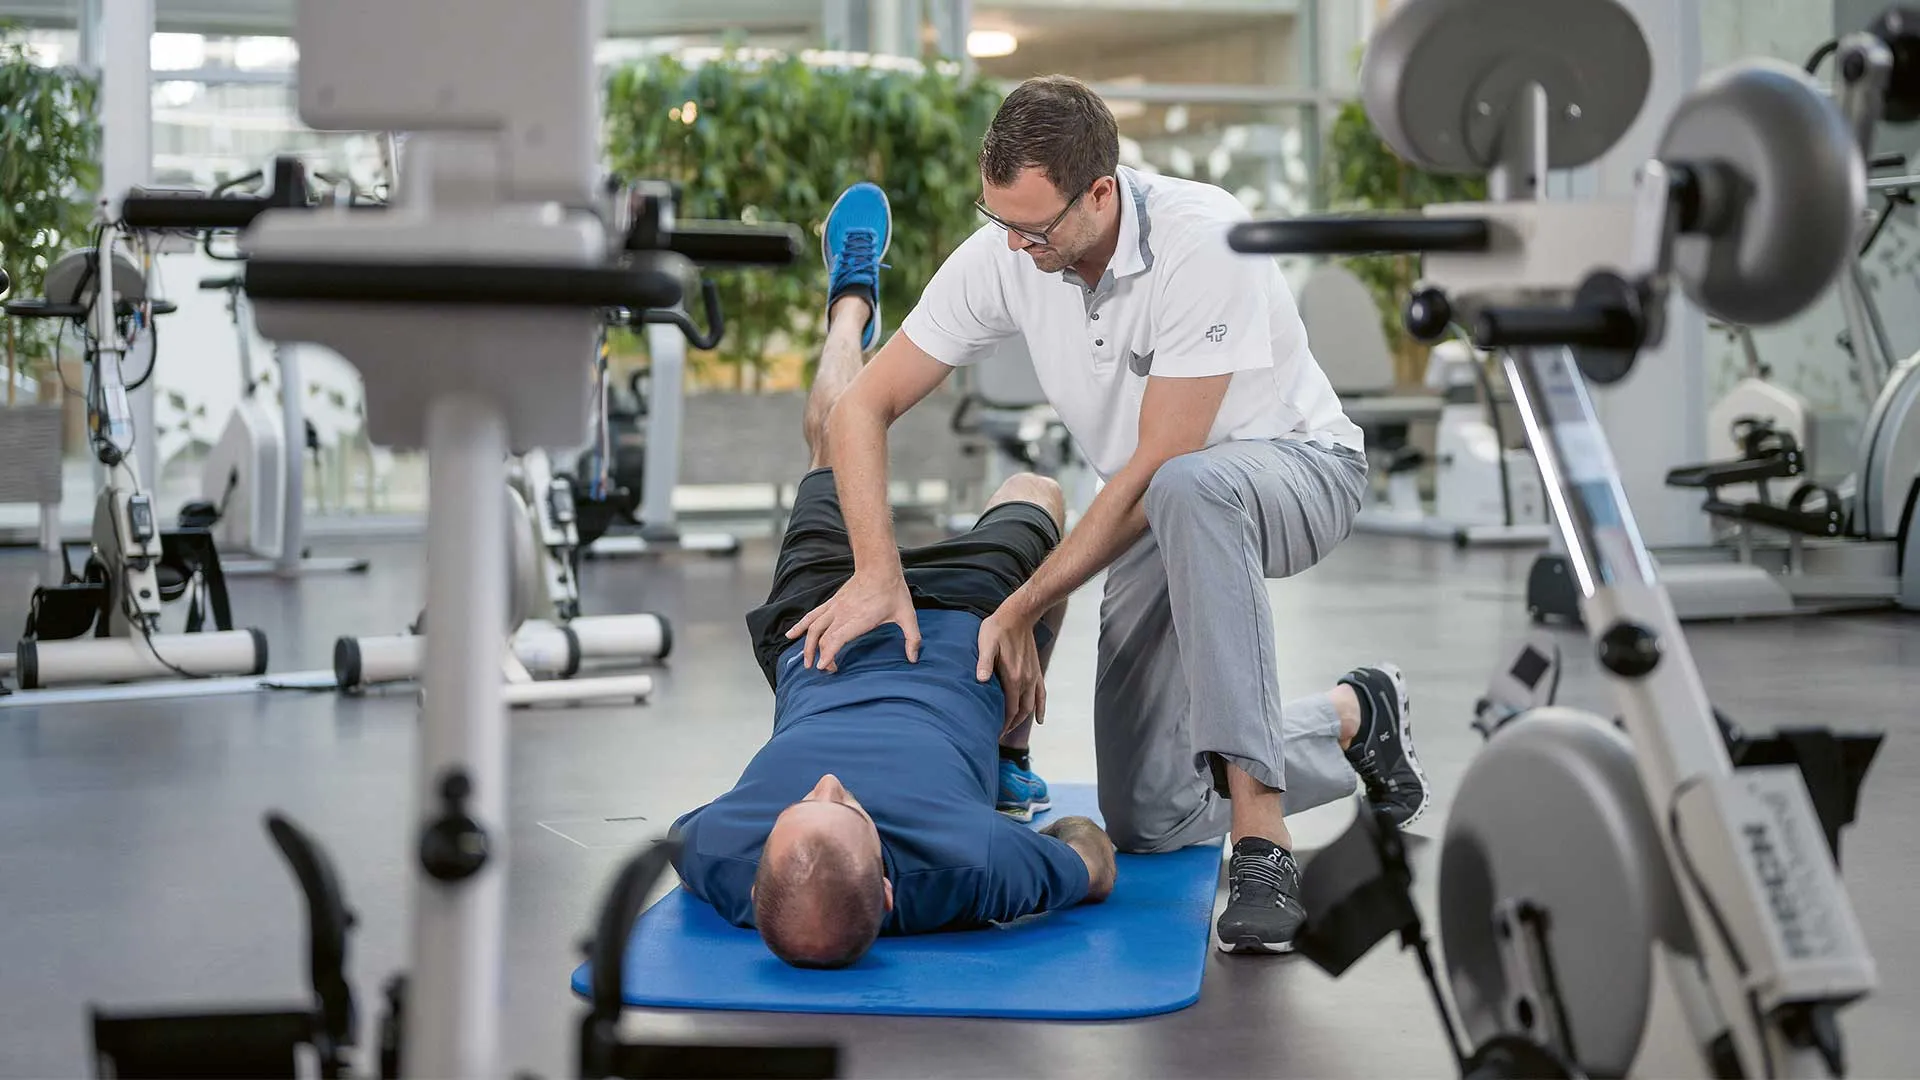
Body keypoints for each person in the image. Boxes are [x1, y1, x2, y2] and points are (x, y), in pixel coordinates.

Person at [670, 184, 1413, 965]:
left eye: (1031, 224)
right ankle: (1353, 717)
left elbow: (1160, 458)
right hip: (970, 631)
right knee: (1146, 812)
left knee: (830, 439)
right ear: (890, 890)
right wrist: (937, 594)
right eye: (843, 807)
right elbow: (1093, 859)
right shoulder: (970, 865)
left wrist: (943, 593)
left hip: (828, 625)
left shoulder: (719, 852)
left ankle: (849, 303)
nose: (824, 782)